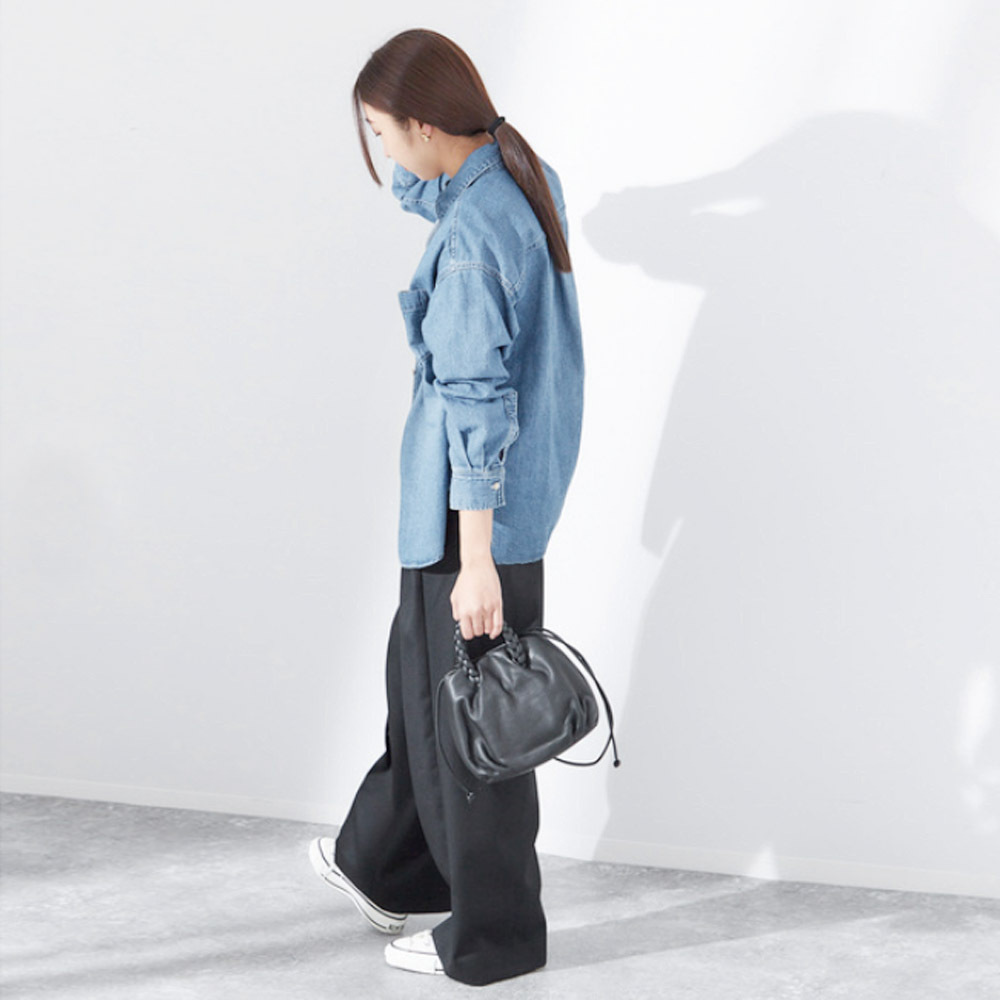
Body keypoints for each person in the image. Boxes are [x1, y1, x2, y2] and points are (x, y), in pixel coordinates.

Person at [308, 27, 584, 987]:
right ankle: (384, 867)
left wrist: (474, 564)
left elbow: (477, 408)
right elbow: (425, 188)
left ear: (427, 124)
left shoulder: (469, 245)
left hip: (468, 524)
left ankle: (493, 938)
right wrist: (426, 146)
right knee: (423, 702)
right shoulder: (516, 180)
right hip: (503, 511)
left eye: (383, 132)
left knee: (474, 739)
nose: (381, 152)